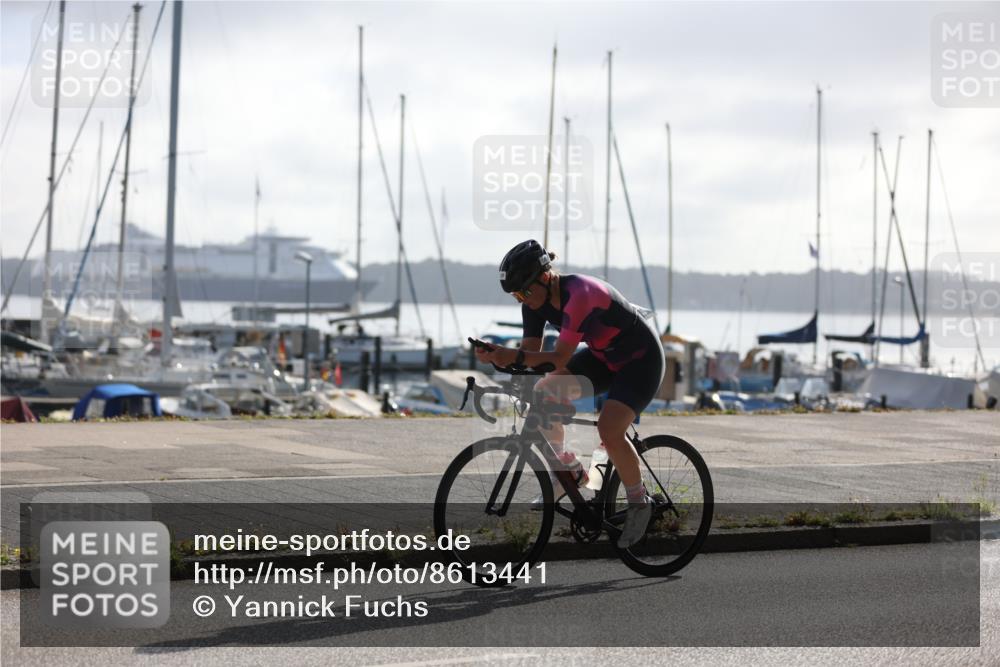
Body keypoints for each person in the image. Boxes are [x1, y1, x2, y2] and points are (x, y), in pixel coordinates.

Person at [475, 239, 666, 548]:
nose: (520, 299)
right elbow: (529, 354)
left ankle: (639, 503)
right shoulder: (533, 304)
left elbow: (560, 357)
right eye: (514, 295)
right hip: (604, 356)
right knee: (544, 392)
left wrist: (510, 356)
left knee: (609, 428)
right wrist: (498, 358)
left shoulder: (580, 294)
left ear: (545, 277)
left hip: (640, 360)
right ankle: (570, 471)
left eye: (523, 291)